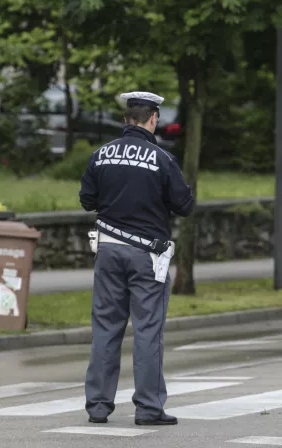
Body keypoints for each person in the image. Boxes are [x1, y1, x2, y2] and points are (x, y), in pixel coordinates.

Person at [79, 90, 194, 426]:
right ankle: (148, 408)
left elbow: (88, 200)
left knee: (105, 328)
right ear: (153, 119)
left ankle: (98, 406)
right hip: (147, 256)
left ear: (126, 119)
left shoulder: (101, 155)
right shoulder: (162, 159)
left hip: (108, 250)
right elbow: (185, 205)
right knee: (147, 330)